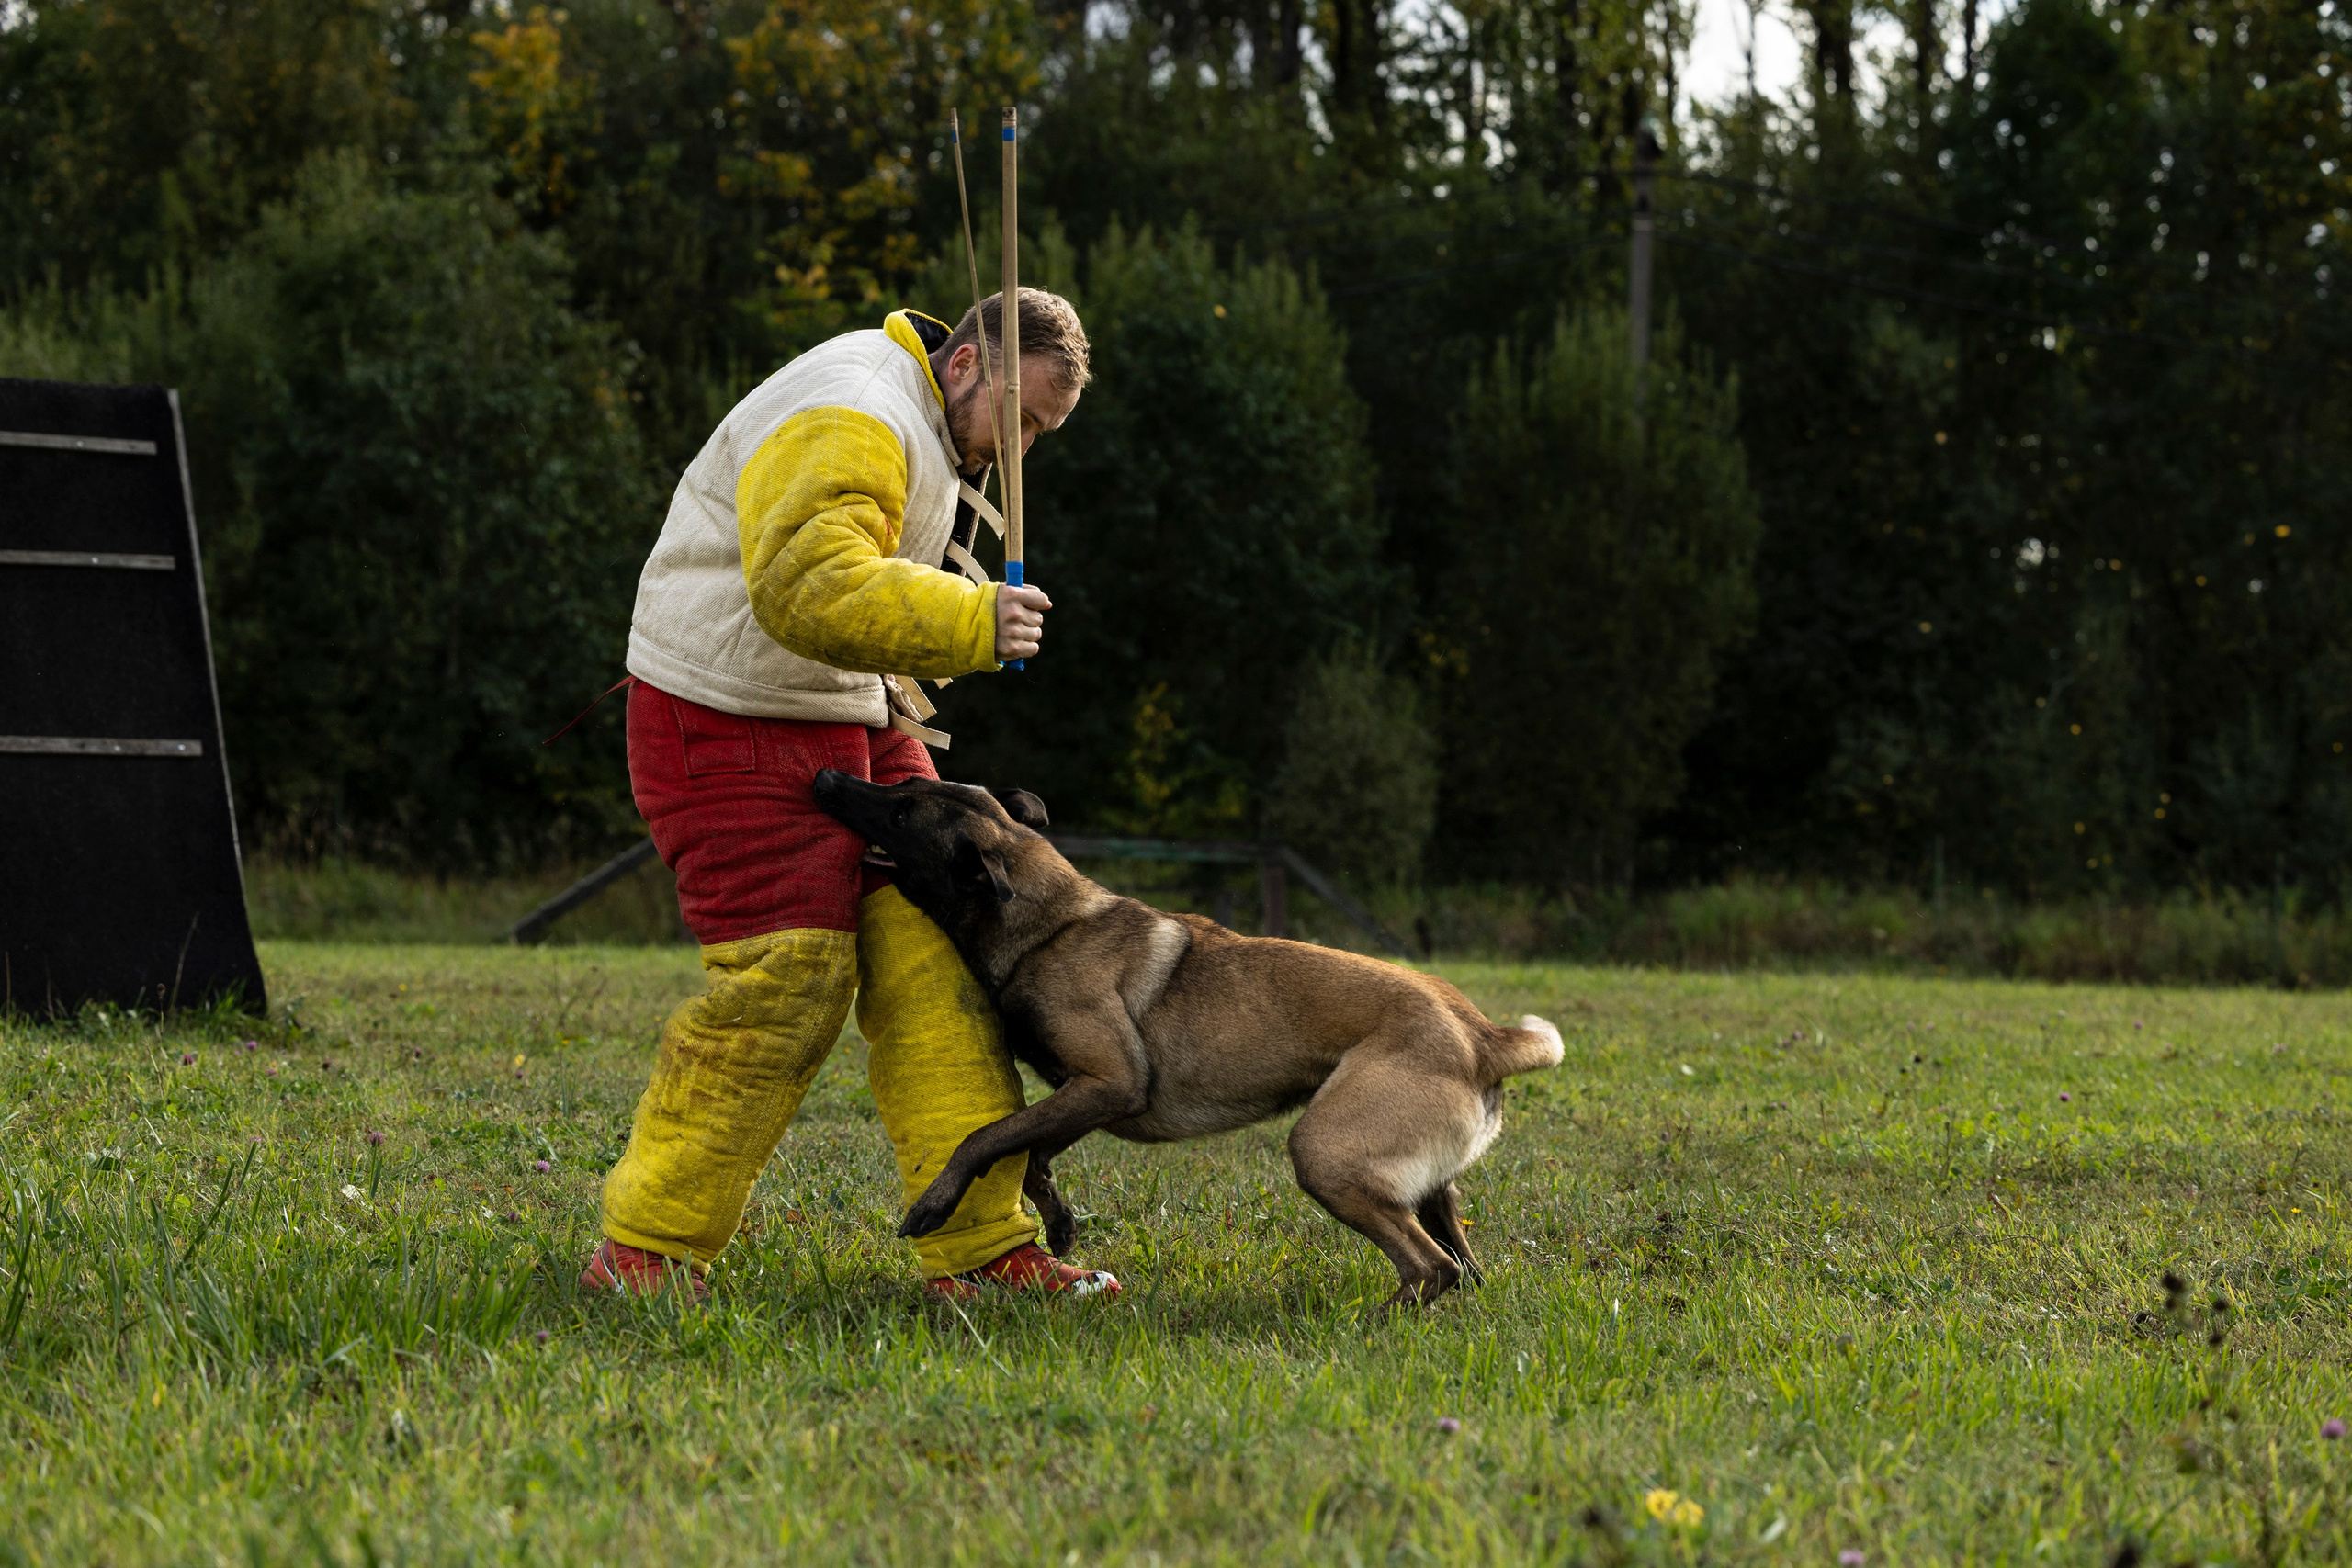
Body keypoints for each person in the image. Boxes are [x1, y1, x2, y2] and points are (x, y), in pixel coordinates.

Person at [578, 289, 1120, 1301]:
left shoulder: (920, 414)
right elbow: (807, 584)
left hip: (849, 709)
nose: (1022, 453)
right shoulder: (854, 407)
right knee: (789, 977)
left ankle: (984, 1250)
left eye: (1044, 432)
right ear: (966, 367)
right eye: (1028, 421)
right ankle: (643, 1251)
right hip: (721, 710)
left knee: (938, 956)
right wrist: (970, 618)